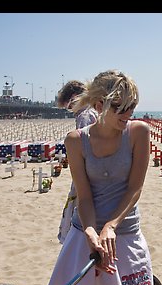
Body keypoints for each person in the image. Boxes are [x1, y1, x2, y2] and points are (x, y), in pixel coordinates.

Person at [48, 70, 152, 285]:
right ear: (97, 104)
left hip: (124, 234)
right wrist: (93, 231)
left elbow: (135, 188)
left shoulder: (138, 133)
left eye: (130, 107)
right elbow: (84, 194)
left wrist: (111, 226)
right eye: (118, 107)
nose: (126, 114)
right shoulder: (76, 141)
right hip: (85, 233)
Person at [56, 80, 99, 244]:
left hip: (88, 174)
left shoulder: (85, 116)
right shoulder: (93, 112)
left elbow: (86, 148)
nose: (69, 110)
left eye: (68, 105)